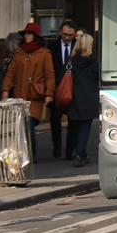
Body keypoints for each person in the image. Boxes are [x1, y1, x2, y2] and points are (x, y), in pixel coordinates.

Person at [1, 22, 56, 159]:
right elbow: (10, 73)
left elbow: (49, 74)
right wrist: (5, 90)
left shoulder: (44, 53)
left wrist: (49, 93)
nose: (26, 36)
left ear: (36, 36)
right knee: (21, 125)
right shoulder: (19, 53)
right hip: (20, 94)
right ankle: (26, 153)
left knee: (28, 123)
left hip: (35, 96)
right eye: (25, 33)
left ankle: (30, 153)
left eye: (29, 33)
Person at [67, 33, 99, 167]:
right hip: (89, 97)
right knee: (85, 127)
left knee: (73, 126)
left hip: (73, 97)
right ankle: (80, 153)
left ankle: (73, 151)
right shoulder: (95, 61)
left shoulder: (70, 62)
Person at [50, 20, 78, 159]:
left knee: (73, 120)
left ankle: (70, 149)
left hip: (72, 88)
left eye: (70, 35)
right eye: (65, 34)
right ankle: (57, 146)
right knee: (55, 118)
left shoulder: (78, 48)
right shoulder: (52, 47)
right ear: (60, 32)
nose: (67, 37)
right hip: (55, 87)